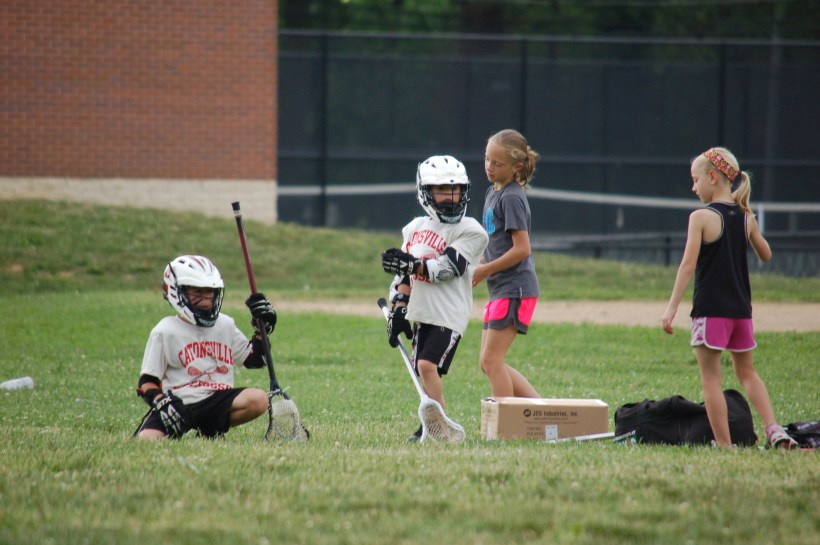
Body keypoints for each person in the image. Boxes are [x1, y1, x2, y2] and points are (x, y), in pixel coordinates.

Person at [661, 147, 798, 449]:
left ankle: (724, 445)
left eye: (696, 180)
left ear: (713, 177)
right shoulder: (745, 217)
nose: (693, 187)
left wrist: (671, 309)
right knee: (746, 371)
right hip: (741, 313)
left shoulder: (701, 217)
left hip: (711, 312)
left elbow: (687, 267)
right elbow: (766, 253)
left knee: (711, 380)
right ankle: (774, 429)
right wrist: (751, 225)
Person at [381, 155, 489, 441]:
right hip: (422, 311)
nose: (450, 197)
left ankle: (438, 428)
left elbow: (447, 268)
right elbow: (404, 278)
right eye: (442, 190)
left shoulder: (472, 231)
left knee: (427, 366)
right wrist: (398, 308)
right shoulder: (414, 228)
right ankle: (429, 427)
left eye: (455, 190)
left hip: (448, 313)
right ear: (425, 192)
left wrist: (410, 265)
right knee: (421, 372)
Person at [134, 255, 277, 440]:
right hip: (180, 403)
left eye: (210, 292)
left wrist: (262, 330)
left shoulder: (225, 324)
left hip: (217, 399)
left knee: (259, 400)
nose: (206, 300)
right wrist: (161, 402)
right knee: (146, 440)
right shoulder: (164, 331)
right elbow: (147, 382)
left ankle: (211, 429)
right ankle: (192, 426)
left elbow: (256, 360)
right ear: (176, 292)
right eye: (197, 292)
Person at [472, 129, 541, 399]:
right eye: (487, 159)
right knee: (487, 362)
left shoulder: (511, 197)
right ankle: (539, 412)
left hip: (516, 290)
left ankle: (507, 426)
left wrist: (486, 269)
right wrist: (481, 263)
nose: (489, 167)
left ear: (517, 167)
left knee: (492, 362)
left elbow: (522, 249)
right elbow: (496, 242)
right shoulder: (493, 192)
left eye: (497, 163)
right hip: (501, 289)